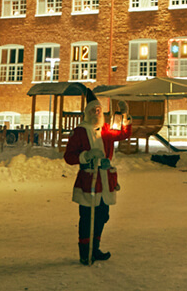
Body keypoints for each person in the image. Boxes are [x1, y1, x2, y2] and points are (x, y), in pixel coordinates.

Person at [64, 96, 132, 264]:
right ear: (87, 113)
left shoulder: (107, 129)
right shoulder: (80, 131)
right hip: (89, 180)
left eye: (99, 110)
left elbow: (123, 134)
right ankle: (85, 253)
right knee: (87, 217)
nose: (97, 113)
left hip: (105, 179)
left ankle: (95, 249)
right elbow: (69, 156)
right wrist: (86, 156)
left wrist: (125, 116)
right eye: (93, 110)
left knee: (102, 215)